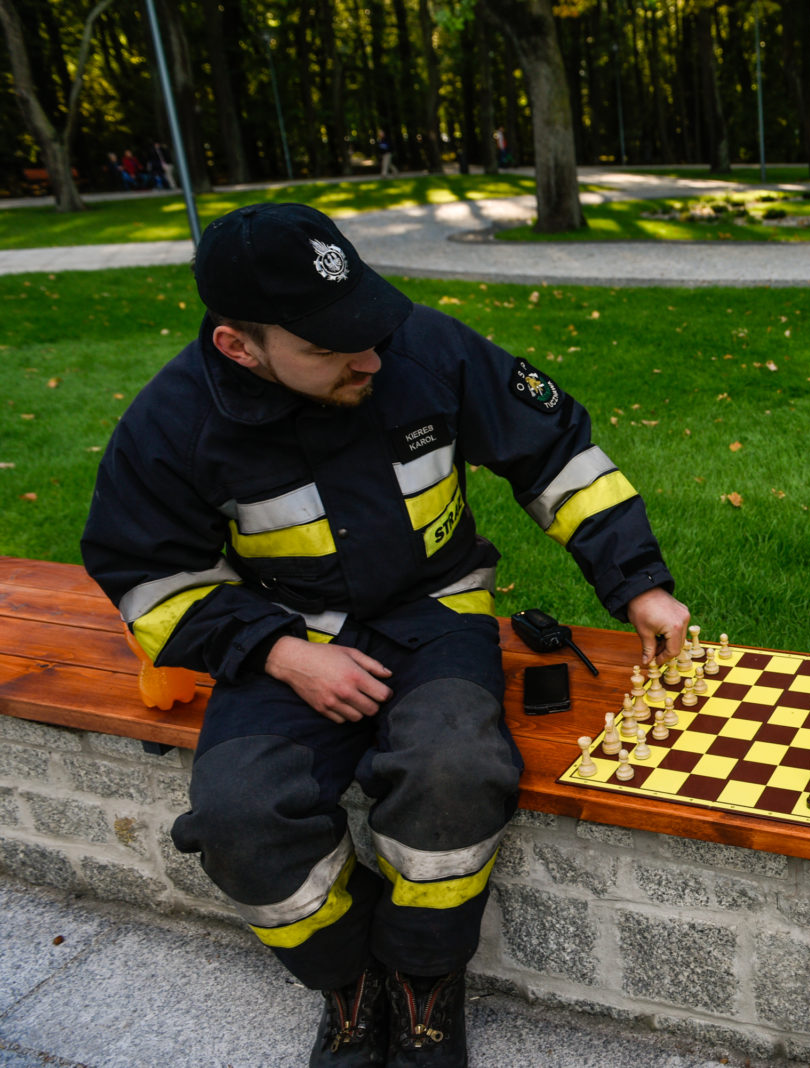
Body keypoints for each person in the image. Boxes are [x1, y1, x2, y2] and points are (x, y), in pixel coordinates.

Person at [80, 202, 690, 1066]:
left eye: (366, 325)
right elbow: (149, 577)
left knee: (456, 773)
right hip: (282, 634)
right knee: (239, 821)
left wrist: (640, 584)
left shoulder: (422, 348)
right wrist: (282, 654)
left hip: (437, 610)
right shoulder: (171, 424)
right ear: (238, 346)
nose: (369, 356)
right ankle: (350, 983)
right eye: (330, 347)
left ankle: (423, 981)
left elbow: (557, 454)